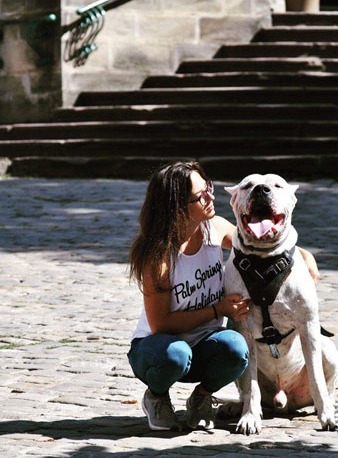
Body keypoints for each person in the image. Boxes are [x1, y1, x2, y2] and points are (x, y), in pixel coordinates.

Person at [127, 161, 320, 431]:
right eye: (200, 195)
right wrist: (218, 311)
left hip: (206, 346)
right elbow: (161, 324)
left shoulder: (214, 228)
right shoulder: (159, 256)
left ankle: (202, 398)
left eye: (209, 187)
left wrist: (303, 254)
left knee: (236, 348)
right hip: (159, 350)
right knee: (176, 354)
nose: (210, 197)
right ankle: (156, 396)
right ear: (177, 206)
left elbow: (255, 243)